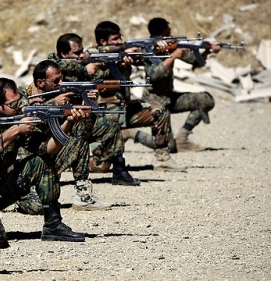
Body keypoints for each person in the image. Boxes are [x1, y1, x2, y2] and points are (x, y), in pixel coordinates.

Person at [0, 77, 87, 249]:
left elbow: (47, 150)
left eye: (19, 100)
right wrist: (17, 129)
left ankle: (53, 224)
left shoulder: (18, 116)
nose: (19, 106)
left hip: (0, 184)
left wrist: (68, 123)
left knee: (40, 163)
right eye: (13, 104)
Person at [16, 59, 126, 213]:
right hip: (26, 165)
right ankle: (21, 195)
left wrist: (89, 105)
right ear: (40, 83)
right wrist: (53, 104)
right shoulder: (22, 97)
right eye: (56, 81)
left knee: (79, 141)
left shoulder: (61, 94)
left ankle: (83, 195)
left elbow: (84, 132)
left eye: (61, 79)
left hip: (47, 156)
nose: (61, 83)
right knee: (38, 208)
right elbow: (24, 116)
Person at [92, 22, 187, 171]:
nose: (119, 42)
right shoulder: (93, 57)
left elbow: (148, 61)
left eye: (120, 38)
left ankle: (163, 159)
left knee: (160, 111)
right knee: (99, 167)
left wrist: (158, 49)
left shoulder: (122, 52)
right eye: (115, 39)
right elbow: (99, 80)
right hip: (106, 116)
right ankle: (79, 159)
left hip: (126, 109)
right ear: (103, 42)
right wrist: (120, 63)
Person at [143, 17, 219, 151]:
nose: (170, 37)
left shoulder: (171, 47)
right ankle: (132, 134)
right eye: (167, 35)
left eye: (170, 33)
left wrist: (207, 51)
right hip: (154, 104)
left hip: (170, 98)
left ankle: (183, 139)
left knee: (205, 100)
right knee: (168, 148)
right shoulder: (148, 49)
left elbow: (196, 63)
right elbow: (154, 75)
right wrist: (173, 56)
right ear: (157, 36)